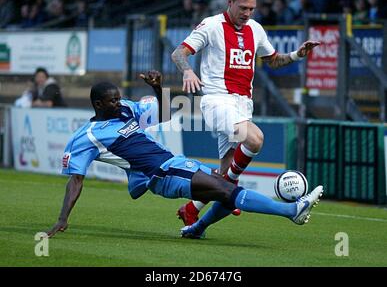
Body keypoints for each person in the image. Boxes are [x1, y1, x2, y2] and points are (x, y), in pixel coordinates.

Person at [46, 70, 323, 239]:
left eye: (119, 98)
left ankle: (197, 228)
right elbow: (76, 180)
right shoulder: (86, 137)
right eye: (113, 100)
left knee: (226, 188)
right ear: (98, 104)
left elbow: (165, 112)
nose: (119, 102)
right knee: (226, 190)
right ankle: (291, 210)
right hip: (161, 173)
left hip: (172, 163)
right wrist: (62, 217)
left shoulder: (126, 110)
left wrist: (157, 87)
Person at [171, 0, 320, 225]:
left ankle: (192, 212)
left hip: (242, 105)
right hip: (218, 102)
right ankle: (229, 194)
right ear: (229, 3)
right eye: (243, 8)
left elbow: (272, 60)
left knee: (225, 171)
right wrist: (187, 71)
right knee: (255, 139)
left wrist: (296, 54)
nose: (247, 14)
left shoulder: (256, 29)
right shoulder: (211, 25)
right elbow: (179, 53)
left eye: (251, 9)